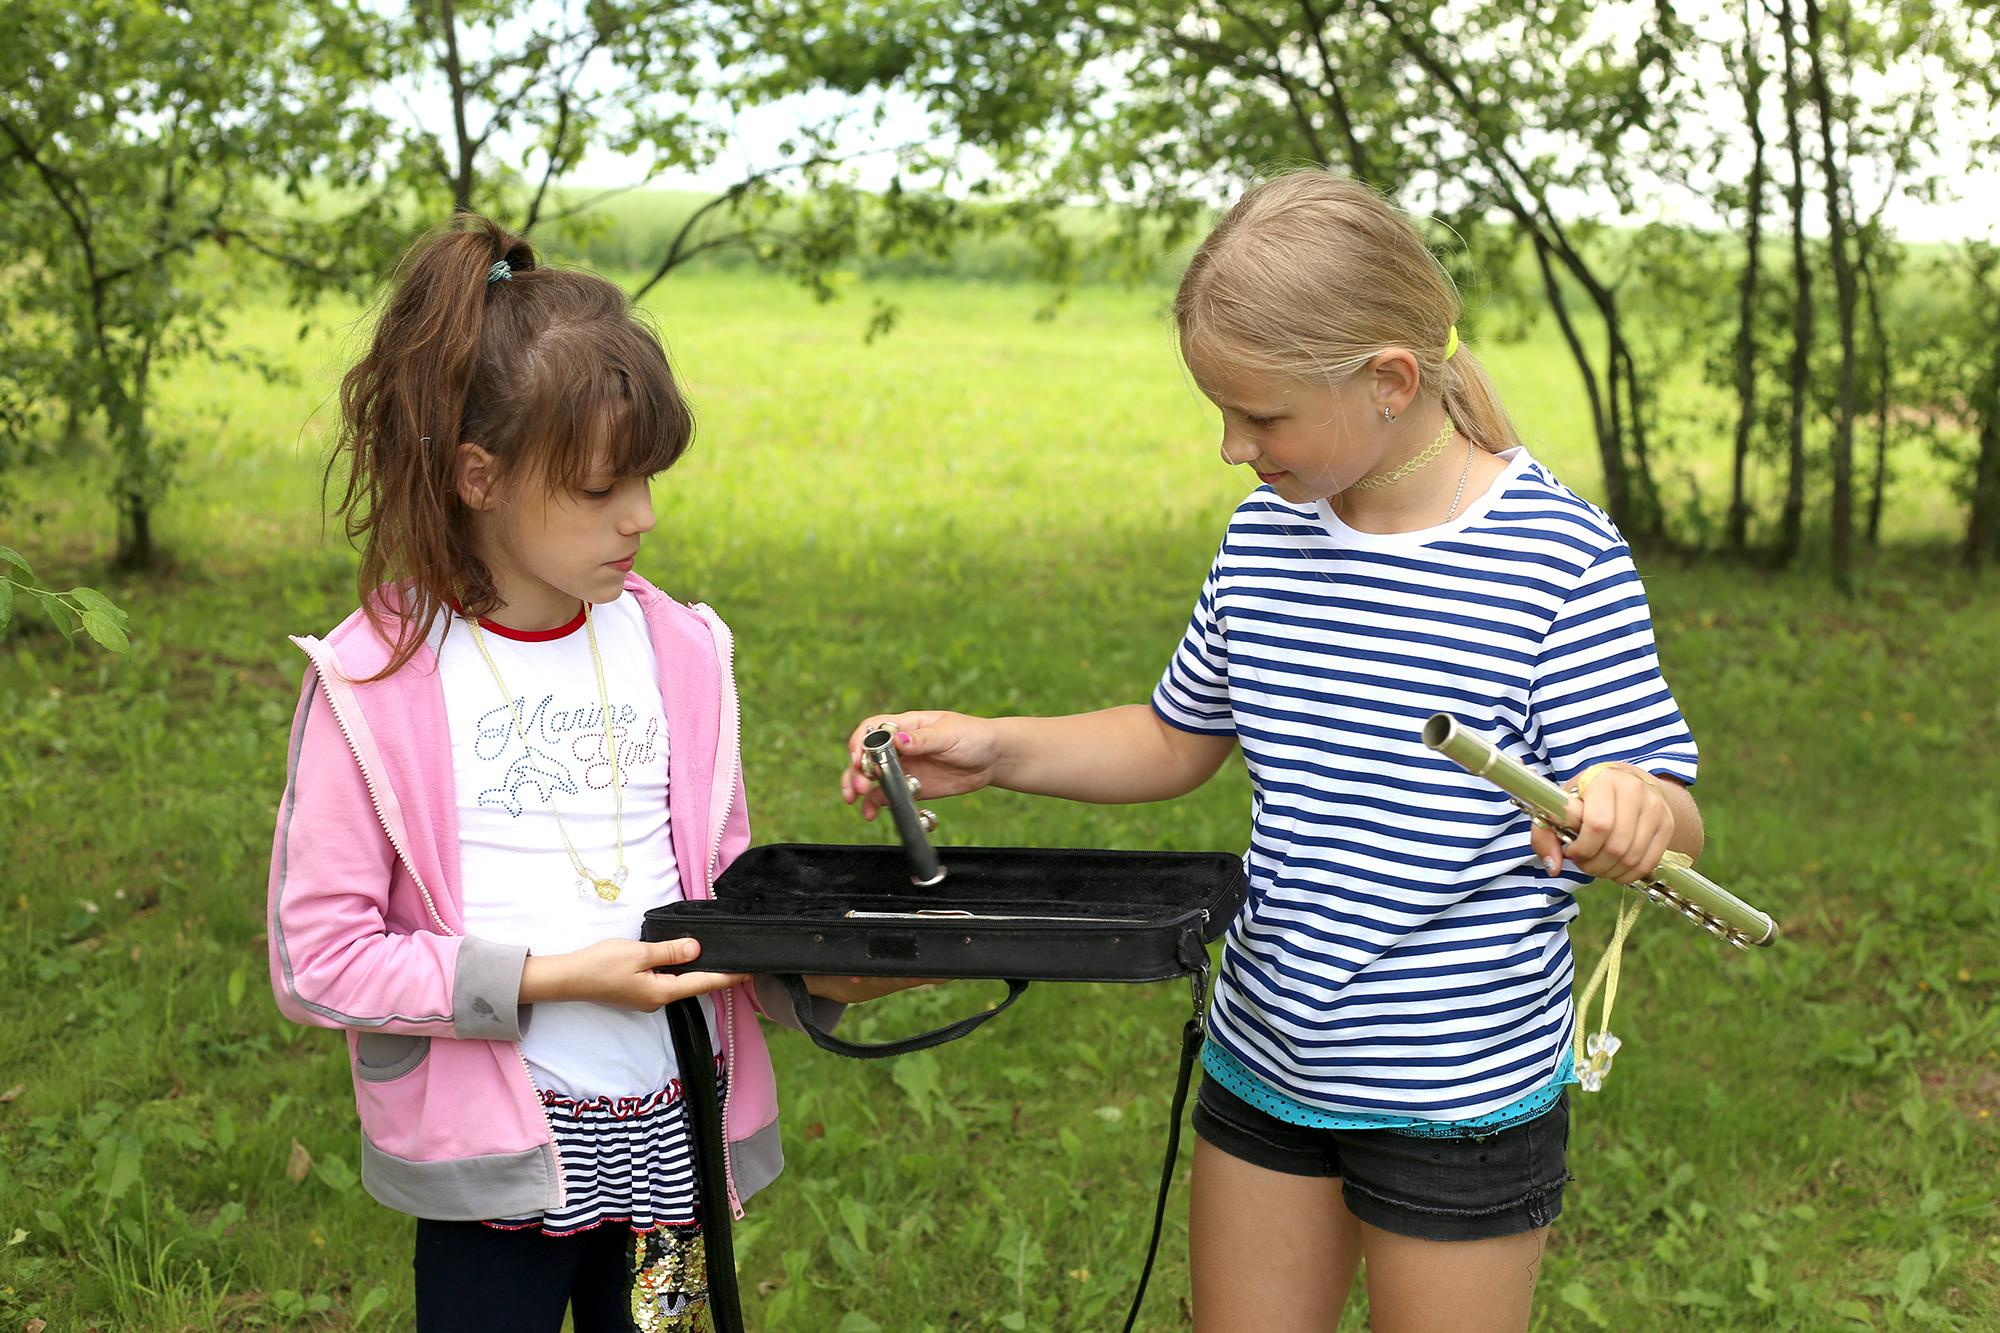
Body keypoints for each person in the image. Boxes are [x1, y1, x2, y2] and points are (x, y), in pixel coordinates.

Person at [841, 170, 1706, 1333]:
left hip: (1459, 1097)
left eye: (1260, 416)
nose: (1230, 448)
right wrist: (994, 748)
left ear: (1390, 381)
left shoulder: (1557, 559)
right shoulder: (1266, 534)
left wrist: (1631, 804)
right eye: (1221, 411)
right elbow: (1172, 736)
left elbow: (1665, 811)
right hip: (1267, 1059)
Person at [268, 215, 906, 1333]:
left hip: (674, 1170)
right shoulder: (375, 680)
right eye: (602, 487)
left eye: (649, 479)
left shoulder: (682, 651)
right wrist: (554, 978)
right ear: (480, 475)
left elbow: (718, 898)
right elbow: (321, 958)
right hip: (497, 1178)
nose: (641, 517)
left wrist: (831, 966)